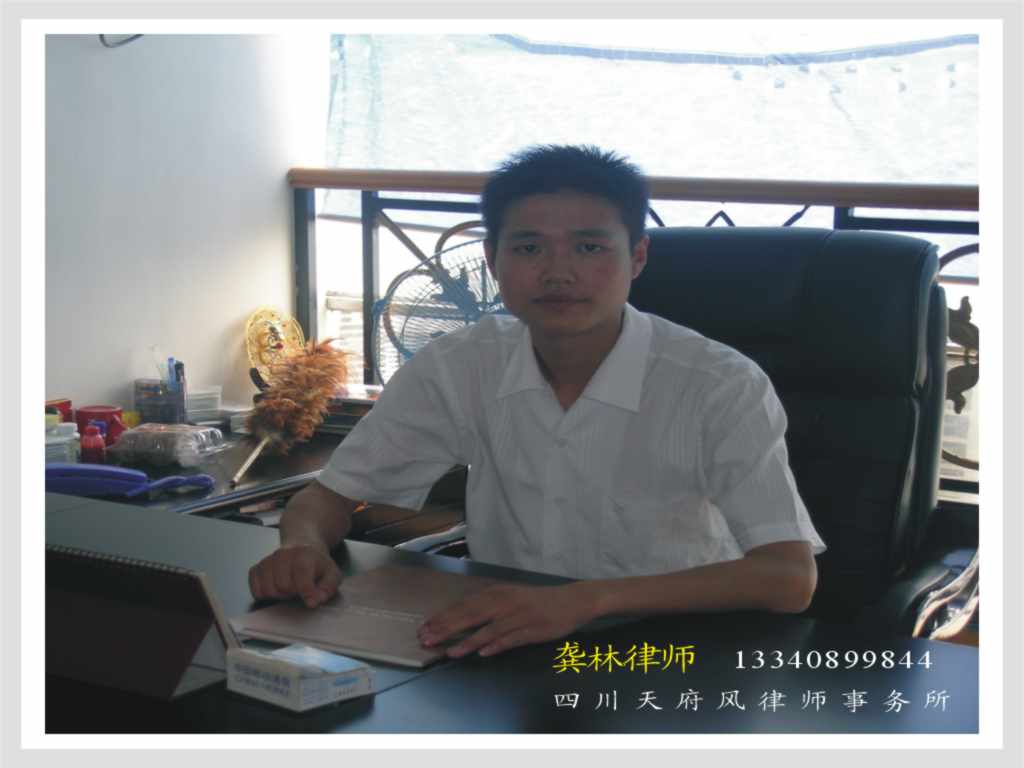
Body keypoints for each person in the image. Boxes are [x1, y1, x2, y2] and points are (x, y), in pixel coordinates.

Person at [248, 144, 825, 659]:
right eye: (528, 248)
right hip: (509, 638)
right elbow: (326, 498)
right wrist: (301, 547)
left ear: (638, 257)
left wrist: (587, 600)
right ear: (492, 260)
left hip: (677, 649)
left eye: (589, 247)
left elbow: (787, 578)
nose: (558, 273)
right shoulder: (462, 363)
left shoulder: (718, 383)